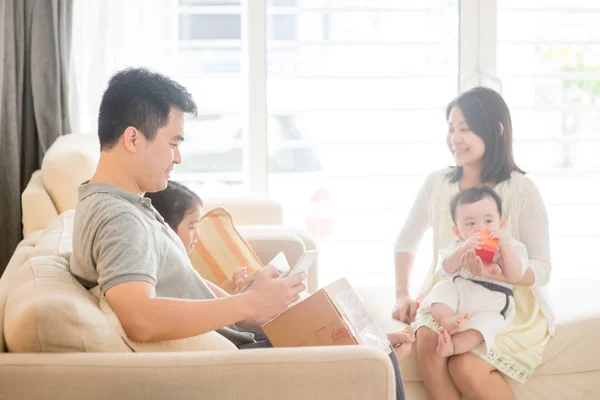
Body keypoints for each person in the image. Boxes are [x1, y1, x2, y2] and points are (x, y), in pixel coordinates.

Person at [68, 67, 411, 399]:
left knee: (371, 342)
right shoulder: (119, 218)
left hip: (240, 343)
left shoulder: (118, 203)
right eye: (173, 143)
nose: (178, 157)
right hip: (239, 363)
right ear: (132, 138)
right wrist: (249, 301)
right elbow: (140, 318)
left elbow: (185, 289)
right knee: (378, 357)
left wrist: (259, 307)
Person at [392, 86, 554, 400]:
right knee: (428, 339)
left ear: (495, 130)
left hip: (506, 301)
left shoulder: (521, 190)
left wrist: (508, 274)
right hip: (452, 293)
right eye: (451, 129)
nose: (455, 138)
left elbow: (543, 267)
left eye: (465, 129)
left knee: (465, 365)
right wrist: (402, 294)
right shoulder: (437, 183)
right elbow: (406, 241)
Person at [421, 186, 528, 359]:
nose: (480, 229)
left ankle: (452, 346)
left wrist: (505, 246)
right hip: (460, 295)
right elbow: (445, 269)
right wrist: (463, 248)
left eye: (488, 221)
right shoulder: (458, 246)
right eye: (471, 224)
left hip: (492, 302)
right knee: (442, 288)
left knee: (485, 325)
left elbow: (516, 275)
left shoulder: (510, 246)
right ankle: (446, 319)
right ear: (457, 231)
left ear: (501, 224)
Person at [143, 180, 252, 294]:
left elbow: (204, 302)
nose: (197, 235)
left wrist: (226, 290)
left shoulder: (180, 269)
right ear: (166, 230)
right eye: (192, 227)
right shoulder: (175, 274)